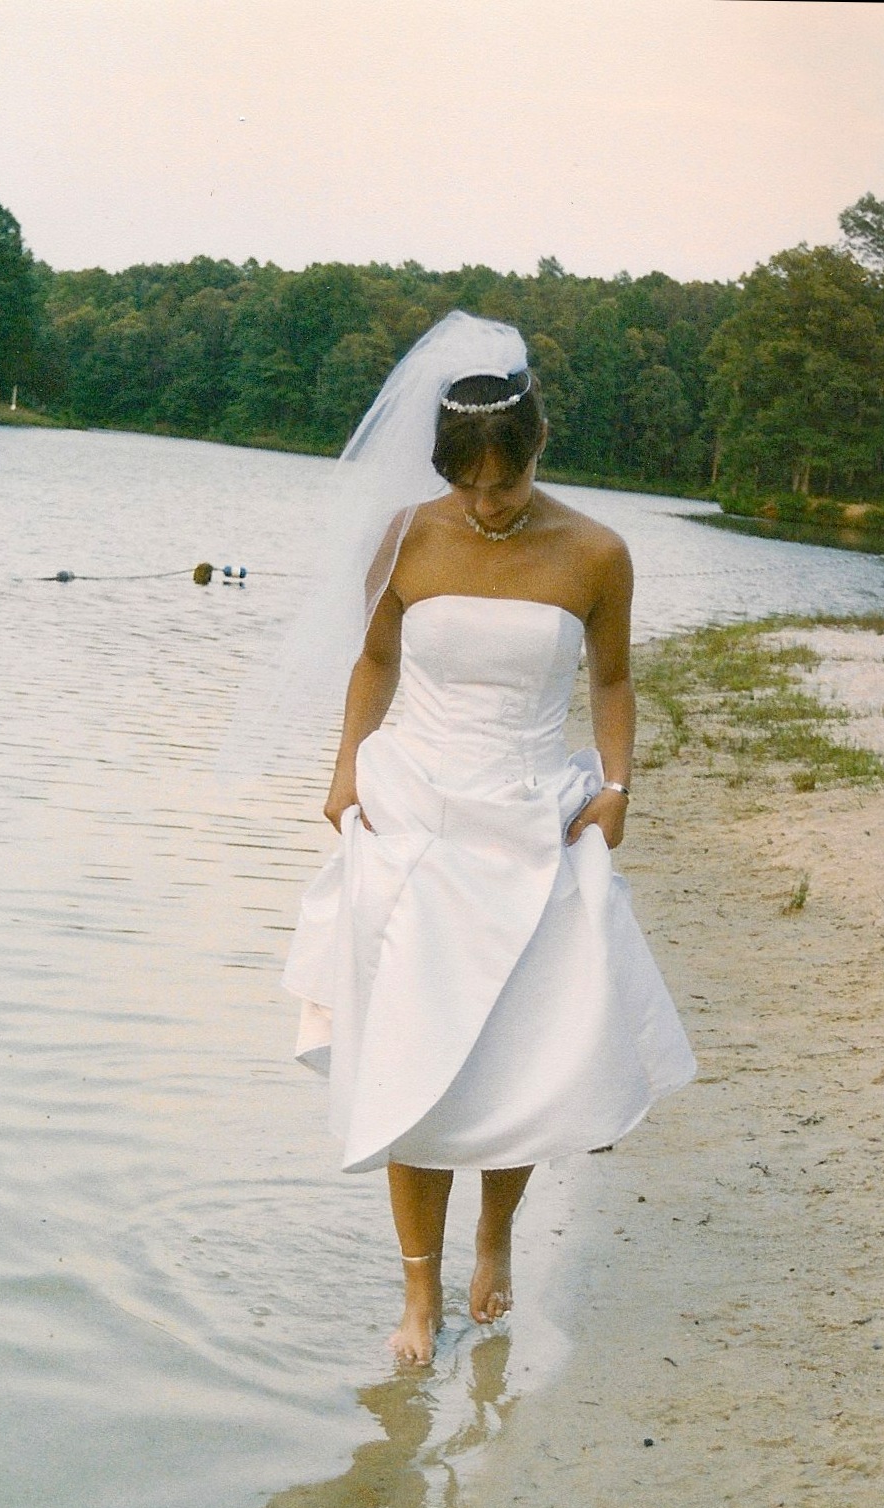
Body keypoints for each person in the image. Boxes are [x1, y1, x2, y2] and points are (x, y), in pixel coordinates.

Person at [278, 312, 696, 1365]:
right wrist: (343, 770)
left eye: (500, 483)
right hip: (416, 816)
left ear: (537, 446)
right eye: (463, 483)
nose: (483, 504)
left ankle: (495, 1237)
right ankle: (417, 1293)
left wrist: (616, 785)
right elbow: (375, 661)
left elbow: (611, 679)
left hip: (529, 820)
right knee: (409, 1057)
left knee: (520, 1056)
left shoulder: (597, 552)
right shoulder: (406, 538)